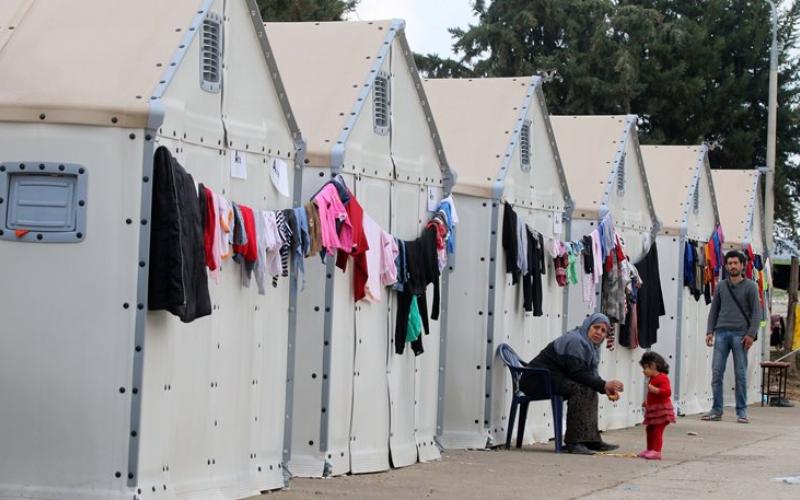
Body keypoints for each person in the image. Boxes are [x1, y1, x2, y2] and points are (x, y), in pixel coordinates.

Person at [521, 313, 625, 455]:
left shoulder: (591, 346)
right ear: (587, 326)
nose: (599, 333)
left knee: (589, 388)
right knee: (580, 389)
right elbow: (577, 373)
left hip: (553, 378)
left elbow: (590, 374)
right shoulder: (576, 341)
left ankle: (591, 440)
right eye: (596, 327)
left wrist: (603, 387)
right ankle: (574, 442)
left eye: (603, 331)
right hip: (535, 380)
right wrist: (604, 384)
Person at [703, 249, 761, 424]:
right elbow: (714, 310)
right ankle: (716, 410)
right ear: (726, 266)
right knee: (716, 373)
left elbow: (756, 314)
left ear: (743, 266)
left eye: (736, 263)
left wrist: (751, 334)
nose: (733, 266)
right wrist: (709, 331)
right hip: (721, 333)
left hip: (741, 335)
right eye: (730, 263)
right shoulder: (721, 286)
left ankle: (742, 412)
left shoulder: (751, 286)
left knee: (740, 374)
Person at [638, 351, 676, 460]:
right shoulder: (652, 378)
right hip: (655, 411)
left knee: (657, 430)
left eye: (645, 368)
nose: (644, 371)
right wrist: (647, 402)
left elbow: (667, 392)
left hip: (662, 411)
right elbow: (652, 396)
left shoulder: (662, 378)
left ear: (653, 366)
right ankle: (650, 449)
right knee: (649, 429)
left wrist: (656, 390)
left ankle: (656, 451)